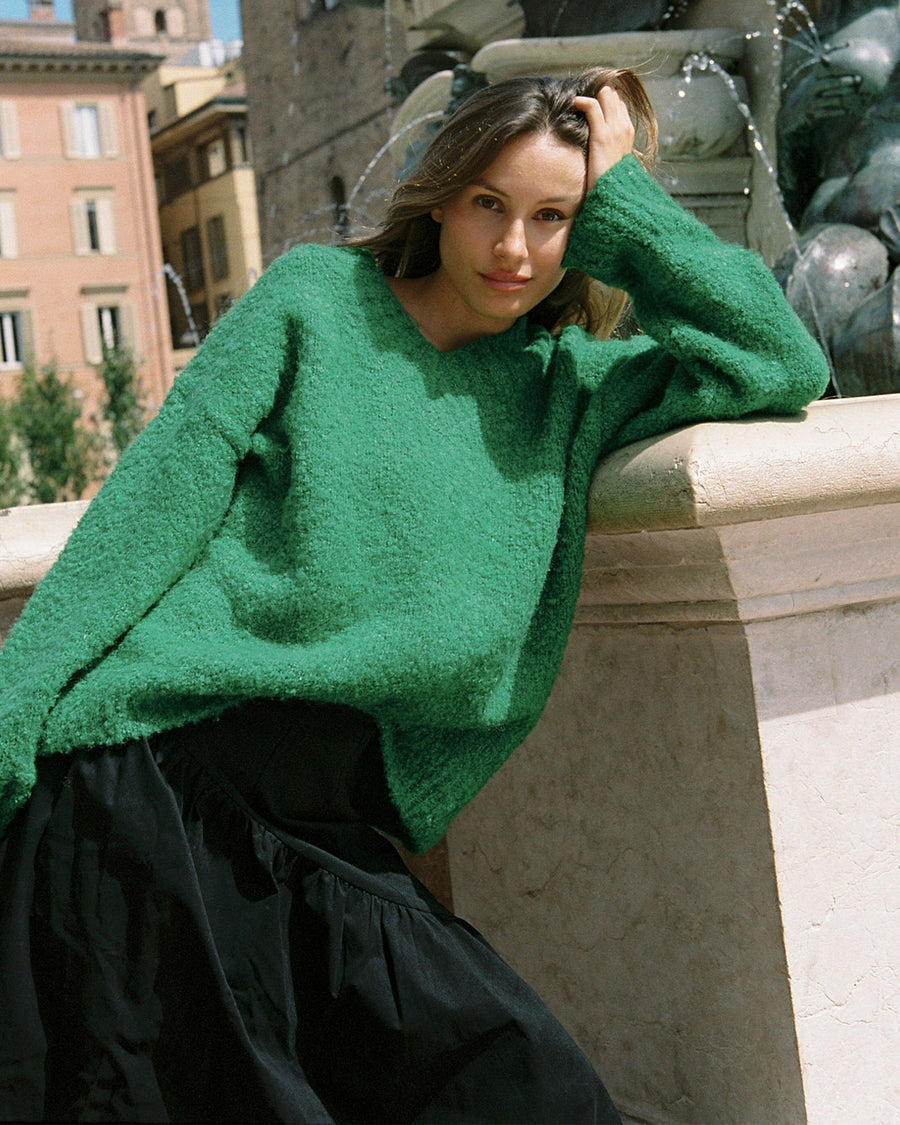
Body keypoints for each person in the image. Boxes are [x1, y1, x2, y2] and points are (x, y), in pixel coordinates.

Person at [0, 66, 828, 1123]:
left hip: (318, 831)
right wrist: (9, 722)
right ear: (440, 193)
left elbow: (779, 358)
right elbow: (138, 524)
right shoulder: (314, 304)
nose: (515, 250)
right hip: (151, 787)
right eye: (491, 204)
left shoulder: (570, 392)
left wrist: (623, 193)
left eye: (554, 217)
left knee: (532, 1091)